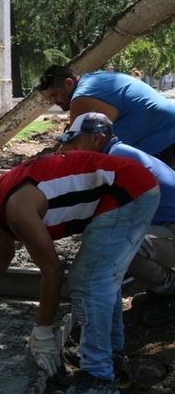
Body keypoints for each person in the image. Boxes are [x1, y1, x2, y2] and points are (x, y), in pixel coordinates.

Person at [0, 152, 160, 394]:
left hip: (129, 192)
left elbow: (52, 270)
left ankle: (98, 378)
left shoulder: (17, 209)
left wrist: (43, 331)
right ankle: (110, 353)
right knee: (99, 275)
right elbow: (1, 255)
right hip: (126, 188)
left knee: (88, 280)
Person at [57, 112, 175, 327]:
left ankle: (170, 291)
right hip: (166, 227)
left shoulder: (116, 159)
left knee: (123, 247)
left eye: (76, 141)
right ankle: (161, 289)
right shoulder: (117, 152)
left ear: (96, 138)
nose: (73, 147)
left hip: (171, 230)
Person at [37, 64, 175, 167]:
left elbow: (72, 150)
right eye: (50, 98)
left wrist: (41, 169)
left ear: (69, 83)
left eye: (55, 94)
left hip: (163, 136)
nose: (54, 101)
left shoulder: (81, 98)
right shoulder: (94, 79)